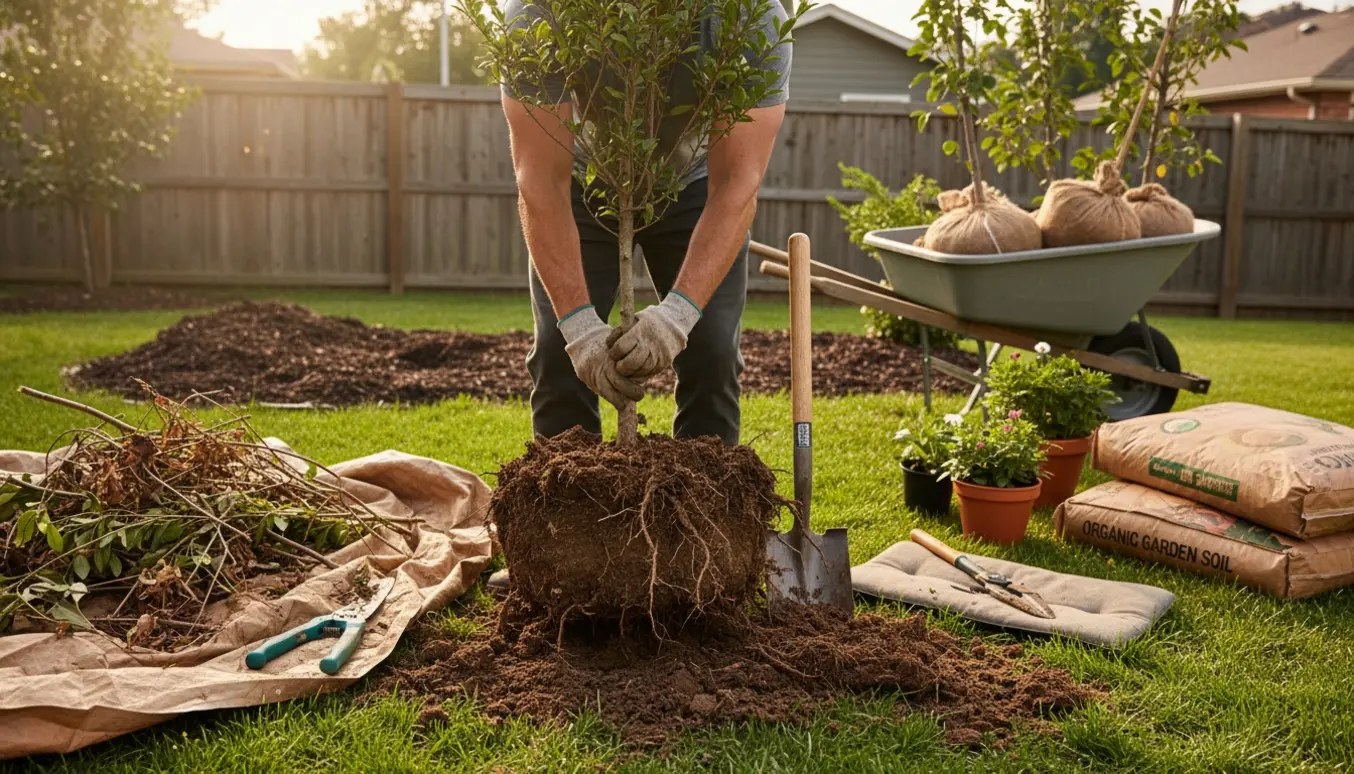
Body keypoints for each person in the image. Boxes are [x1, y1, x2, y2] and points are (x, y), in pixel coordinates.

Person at [487, 1, 792, 594]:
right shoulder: (539, 15)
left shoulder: (749, 15)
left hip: (697, 186)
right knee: (556, 355)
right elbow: (539, 181)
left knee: (709, 352)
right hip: (580, 184)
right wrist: (579, 328)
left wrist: (676, 318)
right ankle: (557, 558)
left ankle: (705, 558)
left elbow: (738, 183)